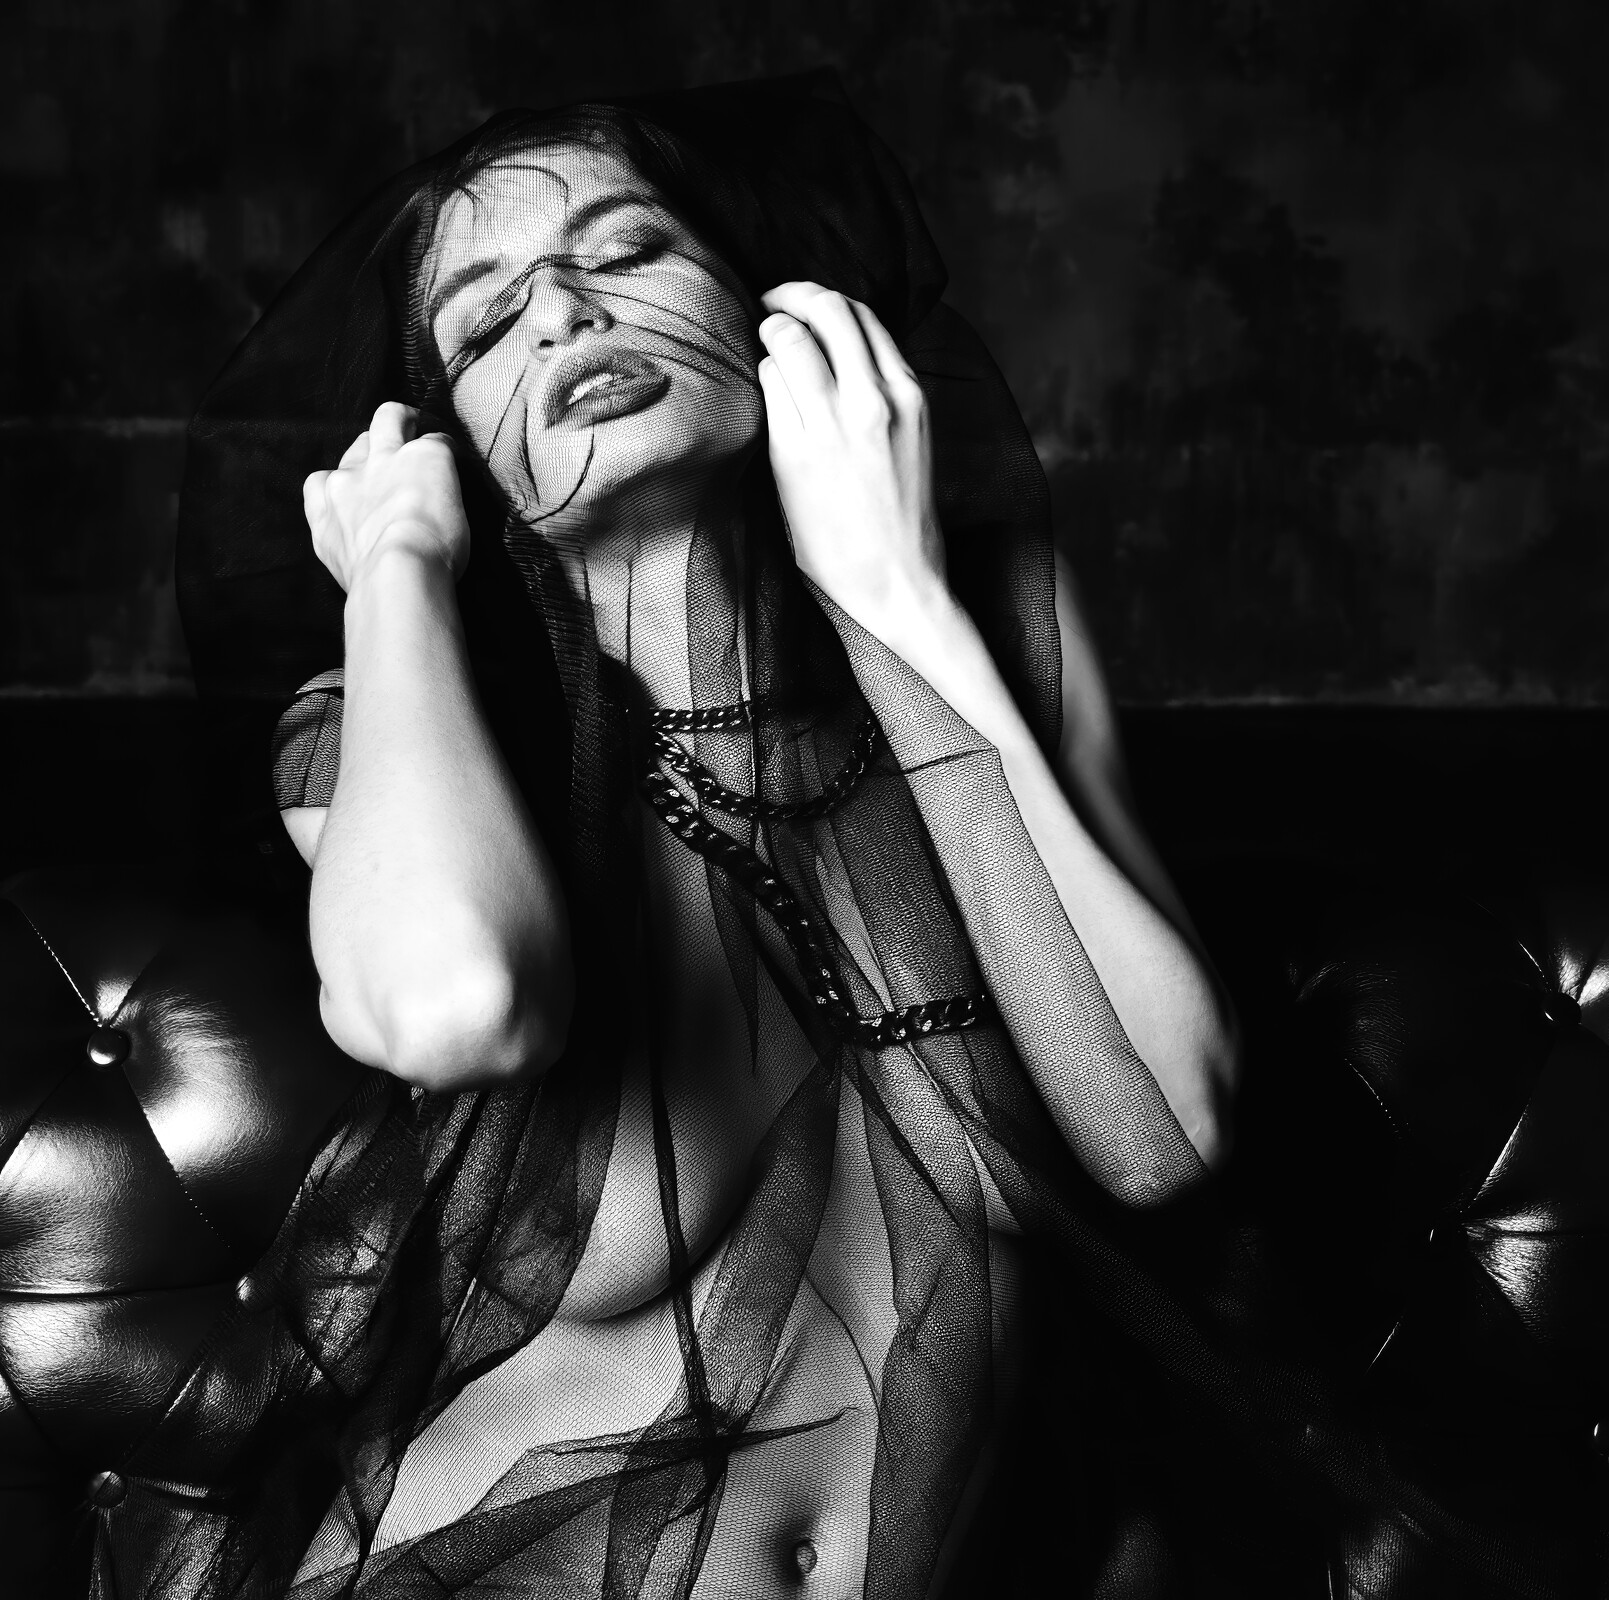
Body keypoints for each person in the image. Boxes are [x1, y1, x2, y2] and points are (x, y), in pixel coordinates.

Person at [173, 76, 1240, 1599]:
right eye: (486, 325)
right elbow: (453, 999)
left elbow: (1161, 1138)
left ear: (772, 312)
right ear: (460, 450)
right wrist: (396, 560)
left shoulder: (994, 626)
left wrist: (888, 591)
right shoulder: (400, 725)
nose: (562, 314)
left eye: (629, 251)